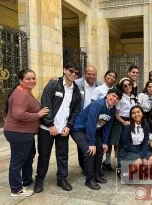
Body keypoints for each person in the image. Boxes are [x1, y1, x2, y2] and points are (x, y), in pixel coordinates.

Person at [34, 63, 81, 193]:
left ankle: (62, 179)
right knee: (44, 155)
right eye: (71, 71)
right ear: (65, 70)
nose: (73, 74)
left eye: (76, 73)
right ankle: (39, 179)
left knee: (62, 155)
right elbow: (45, 103)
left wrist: (69, 126)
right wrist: (50, 124)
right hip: (47, 128)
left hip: (63, 129)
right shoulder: (53, 84)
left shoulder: (76, 90)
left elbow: (76, 110)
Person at [4, 69, 48, 197]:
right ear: (21, 80)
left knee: (28, 157)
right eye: (28, 78)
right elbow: (18, 114)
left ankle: (27, 181)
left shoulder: (25, 92)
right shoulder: (21, 94)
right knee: (18, 161)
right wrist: (38, 115)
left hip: (24, 133)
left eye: (33, 78)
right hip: (19, 133)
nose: (32, 81)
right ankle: (16, 189)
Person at [71, 88, 122, 190]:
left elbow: (108, 126)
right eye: (113, 96)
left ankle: (97, 174)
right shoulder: (98, 105)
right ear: (107, 95)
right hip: (79, 129)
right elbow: (91, 123)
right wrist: (91, 143)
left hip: (93, 130)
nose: (114, 99)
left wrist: (105, 142)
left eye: (117, 98)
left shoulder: (112, 109)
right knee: (90, 151)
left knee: (100, 149)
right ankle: (89, 179)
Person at [74, 65, 102, 176]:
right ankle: (84, 168)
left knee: (92, 143)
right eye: (89, 73)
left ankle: (92, 167)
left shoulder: (99, 85)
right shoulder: (77, 84)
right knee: (82, 147)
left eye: (93, 74)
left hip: (94, 119)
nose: (91, 76)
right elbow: (64, 83)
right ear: (84, 74)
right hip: (80, 119)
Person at [118, 105, 152, 183]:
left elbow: (145, 142)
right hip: (128, 150)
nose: (136, 114)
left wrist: (143, 154)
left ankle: (138, 172)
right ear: (131, 115)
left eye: (138, 112)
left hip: (141, 148)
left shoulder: (146, 125)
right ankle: (125, 174)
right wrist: (142, 156)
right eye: (133, 113)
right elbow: (127, 145)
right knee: (138, 160)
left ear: (142, 113)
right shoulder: (127, 127)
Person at [111, 78, 137, 177]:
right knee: (119, 145)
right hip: (121, 122)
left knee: (128, 144)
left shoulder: (134, 97)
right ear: (122, 87)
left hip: (131, 122)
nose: (128, 87)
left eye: (129, 84)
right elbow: (116, 114)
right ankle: (119, 165)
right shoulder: (120, 98)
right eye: (125, 85)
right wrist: (124, 122)